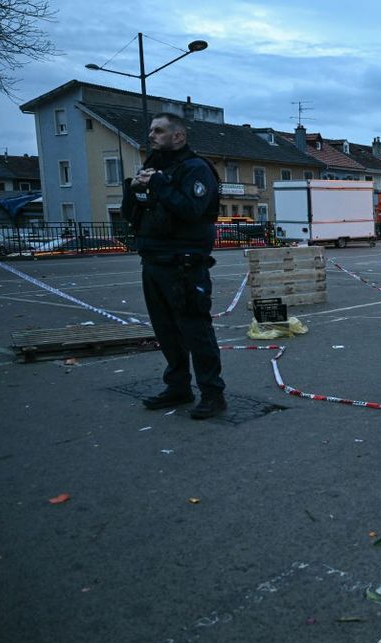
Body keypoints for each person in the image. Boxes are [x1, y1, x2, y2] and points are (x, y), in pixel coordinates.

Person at [121, 112, 227, 420]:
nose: (151, 135)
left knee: (195, 330)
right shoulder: (154, 168)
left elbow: (191, 209)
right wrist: (137, 189)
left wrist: (160, 184)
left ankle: (212, 393)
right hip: (153, 261)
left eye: (159, 130)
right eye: (151, 130)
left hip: (184, 264)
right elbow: (132, 214)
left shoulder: (196, 169)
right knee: (166, 331)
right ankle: (178, 386)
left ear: (177, 136)